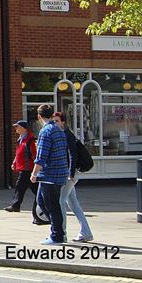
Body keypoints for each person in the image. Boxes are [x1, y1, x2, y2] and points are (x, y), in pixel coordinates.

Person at [31, 103, 69, 245]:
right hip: (60, 173)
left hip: (49, 174)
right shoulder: (59, 129)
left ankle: (57, 235)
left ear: (39, 116)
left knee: (51, 206)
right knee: (44, 202)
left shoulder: (45, 132)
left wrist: (34, 174)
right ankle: (58, 232)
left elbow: (41, 156)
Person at [54, 112, 94, 242]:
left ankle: (62, 234)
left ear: (63, 122)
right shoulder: (63, 135)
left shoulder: (67, 135)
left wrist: (70, 173)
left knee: (60, 201)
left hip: (69, 173)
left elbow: (73, 155)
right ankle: (86, 232)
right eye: (53, 121)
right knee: (73, 203)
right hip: (70, 172)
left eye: (56, 121)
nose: (54, 123)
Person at [5, 120, 40, 216]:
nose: (16, 128)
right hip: (23, 167)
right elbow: (18, 153)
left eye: (17, 126)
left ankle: (15, 205)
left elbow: (34, 154)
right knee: (34, 188)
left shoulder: (30, 139)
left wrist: (36, 167)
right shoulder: (20, 139)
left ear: (24, 128)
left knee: (20, 186)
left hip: (28, 168)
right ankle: (43, 201)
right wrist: (14, 162)